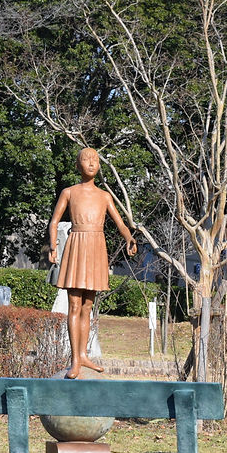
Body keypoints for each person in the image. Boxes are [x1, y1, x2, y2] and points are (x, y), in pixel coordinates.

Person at [48, 148, 137, 378]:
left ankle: (84, 354)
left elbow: (119, 223)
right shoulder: (68, 192)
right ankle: (75, 359)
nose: (91, 163)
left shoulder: (104, 196)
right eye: (86, 160)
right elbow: (54, 221)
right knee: (74, 305)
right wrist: (53, 246)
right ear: (78, 166)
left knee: (88, 306)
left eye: (95, 160)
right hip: (77, 245)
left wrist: (129, 238)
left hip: (96, 246)